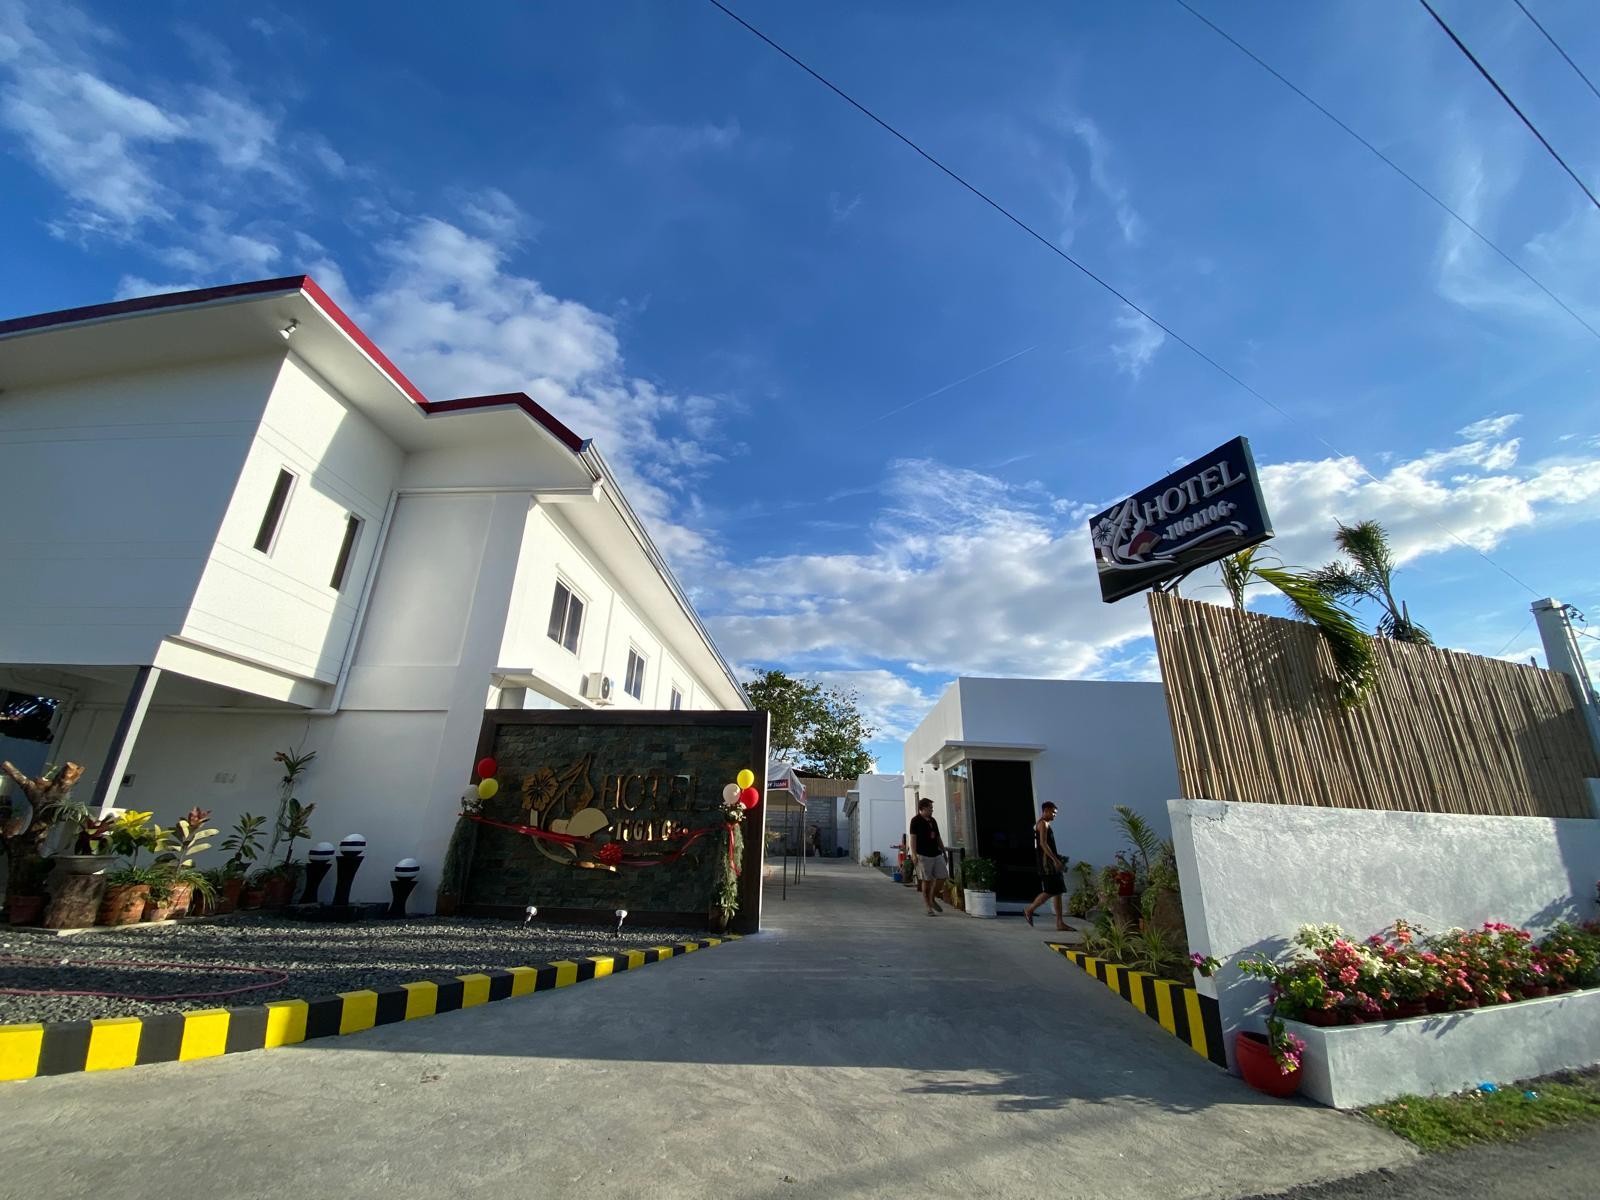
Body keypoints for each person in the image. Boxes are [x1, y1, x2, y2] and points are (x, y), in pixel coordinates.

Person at [1024, 802, 1070, 930]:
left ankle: (1060, 922)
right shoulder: (1042, 824)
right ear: (1046, 810)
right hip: (1047, 864)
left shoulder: (1046, 824)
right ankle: (1030, 909)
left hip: (1050, 863)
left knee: (1058, 891)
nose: (1055, 815)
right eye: (1053, 812)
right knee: (1050, 890)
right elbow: (1043, 844)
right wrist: (1055, 860)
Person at [908, 798, 949, 915]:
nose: (932, 810)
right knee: (926, 880)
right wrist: (914, 855)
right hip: (923, 855)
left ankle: (932, 897)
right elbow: (913, 839)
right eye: (930, 807)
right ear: (923, 808)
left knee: (943, 876)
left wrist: (944, 851)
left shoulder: (933, 820)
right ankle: (928, 907)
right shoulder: (915, 821)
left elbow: (937, 837)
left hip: (936, 854)